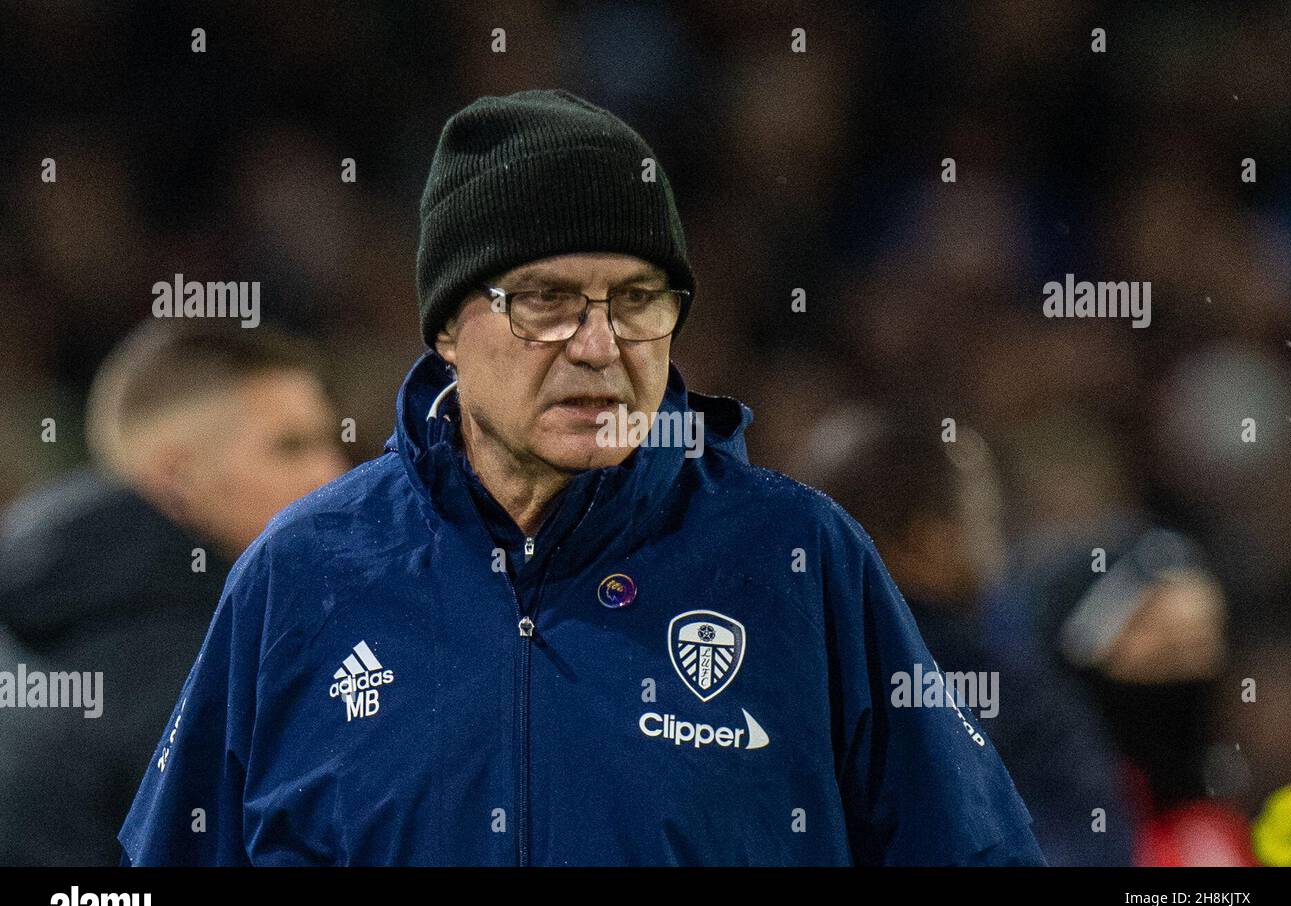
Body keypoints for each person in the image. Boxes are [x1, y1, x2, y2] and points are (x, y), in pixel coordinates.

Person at [118, 89, 1044, 866]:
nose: (599, 347)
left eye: (638, 300)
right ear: (446, 329)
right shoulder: (301, 574)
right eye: (547, 302)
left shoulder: (800, 562)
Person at [0, 319, 346, 864]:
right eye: (290, 448)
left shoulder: (50, 608)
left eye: (329, 442)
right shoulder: (192, 659)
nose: (332, 474)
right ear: (176, 478)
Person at [810, 409, 1136, 865]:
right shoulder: (1015, 689)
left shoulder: (776, 674)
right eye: (982, 517)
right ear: (928, 541)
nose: (996, 539)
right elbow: (1087, 845)